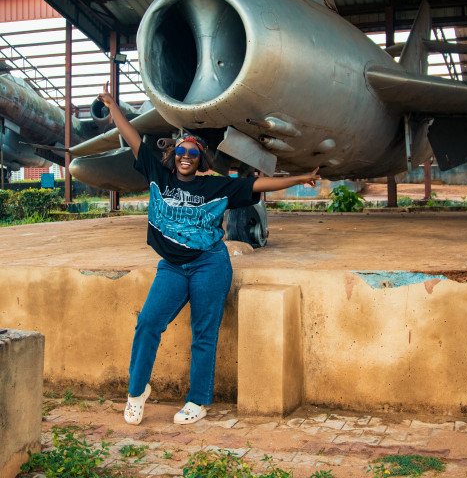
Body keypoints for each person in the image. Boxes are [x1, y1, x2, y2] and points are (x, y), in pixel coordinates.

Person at [98, 85, 320, 425]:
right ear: (174, 156)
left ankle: (198, 401)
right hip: (171, 267)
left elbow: (257, 187)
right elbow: (133, 138)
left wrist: (301, 178)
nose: (186, 156)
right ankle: (136, 391)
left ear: (200, 159)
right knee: (147, 324)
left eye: (193, 153)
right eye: (182, 151)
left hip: (209, 265)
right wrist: (113, 106)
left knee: (204, 333)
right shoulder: (158, 175)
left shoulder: (214, 185)